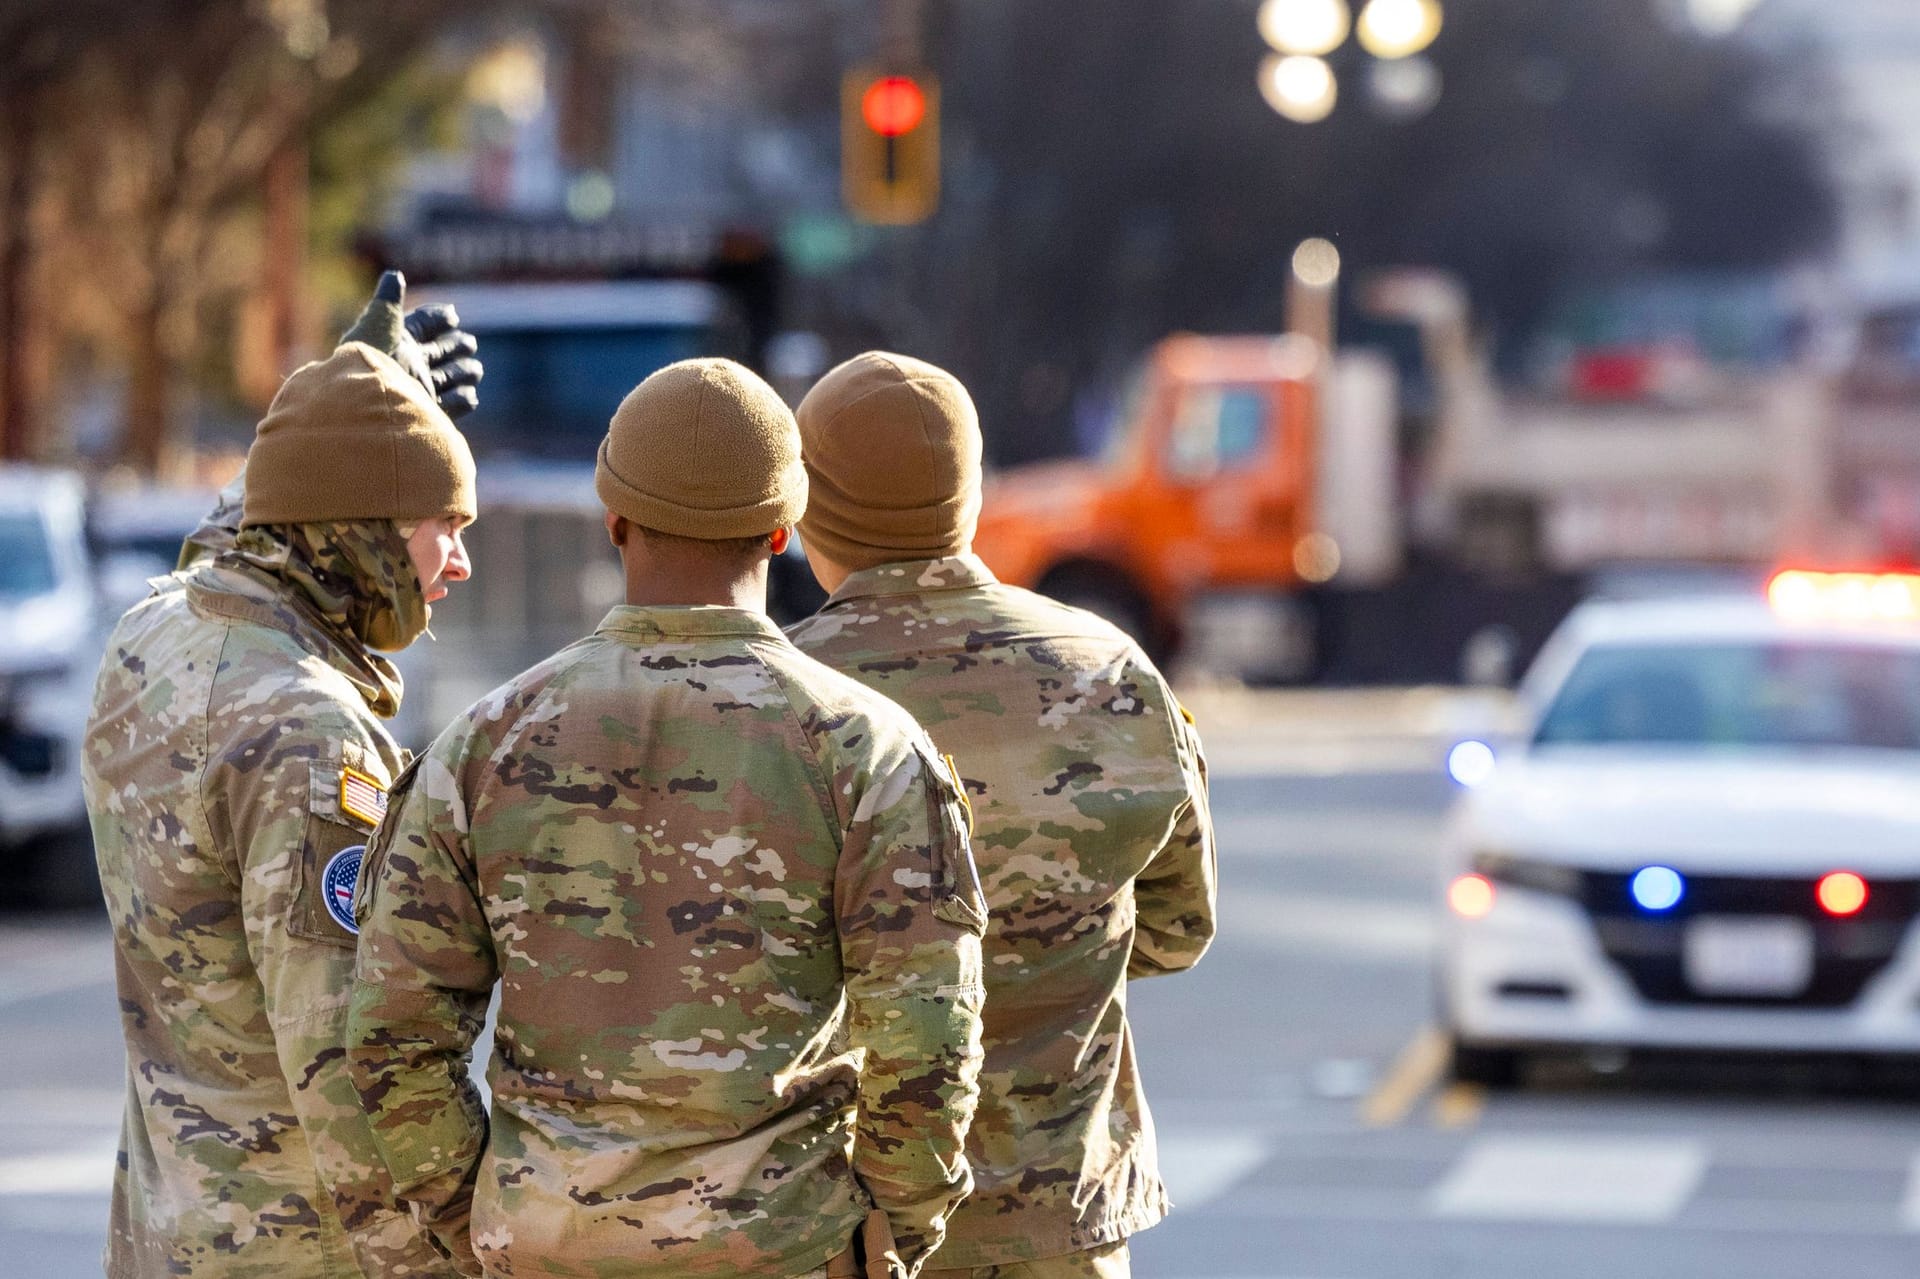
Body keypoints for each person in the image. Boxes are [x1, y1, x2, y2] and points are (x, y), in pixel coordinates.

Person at [345, 357, 989, 1279]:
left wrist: (473, 1215)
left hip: (546, 1250)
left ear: (613, 516)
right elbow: (930, 1042)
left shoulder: (481, 744)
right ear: (781, 532)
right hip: (785, 1249)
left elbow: (395, 1026)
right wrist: (887, 1237)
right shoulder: (867, 748)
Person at [82, 273, 482, 1278]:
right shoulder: (310, 741)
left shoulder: (157, 633)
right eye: (447, 522)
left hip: (171, 1238)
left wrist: (358, 393)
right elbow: (350, 1073)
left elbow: (259, 525)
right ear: (364, 527)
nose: (460, 561)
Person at [785, 352, 1217, 1279]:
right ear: (969, 494)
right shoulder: (1111, 670)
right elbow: (1180, 929)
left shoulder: (779, 699)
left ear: (807, 511)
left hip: (846, 1234)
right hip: (1061, 1222)